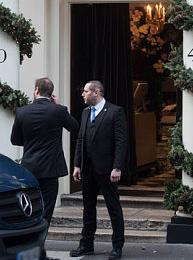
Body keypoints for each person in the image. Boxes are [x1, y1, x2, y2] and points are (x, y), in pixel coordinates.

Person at [11, 77, 79, 260]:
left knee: (29, 212)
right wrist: (59, 106)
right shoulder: (58, 111)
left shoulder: (23, 112)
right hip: (50, 171)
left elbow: (15, 140)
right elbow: (75, 127)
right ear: (51, 93)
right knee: (45, 213)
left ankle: (32, 253)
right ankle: (38, 253)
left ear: (36, 90)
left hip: (29, 169)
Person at [69, 80, 128, 260]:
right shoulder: (86, 112)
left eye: (85, 91)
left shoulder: (115, 112)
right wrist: (77, 164)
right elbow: (80, 139)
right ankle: (86, 243)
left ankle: (117, 245)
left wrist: (117, 167)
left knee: (113, 207)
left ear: (96, 92)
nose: (82, 94)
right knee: (88, 208)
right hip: (88, 169)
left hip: (107, 169)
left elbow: (121, 141)